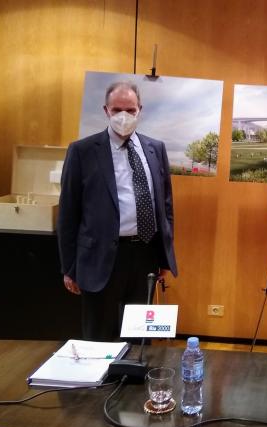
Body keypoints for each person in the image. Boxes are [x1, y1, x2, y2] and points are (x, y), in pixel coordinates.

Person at [58, 81, 178, 341]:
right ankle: (98, 382)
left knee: (138, 337)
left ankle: (133, 378)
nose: (124, 116)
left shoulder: (155, 149)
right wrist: (69, 267)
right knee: (99, 336)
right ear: (106, 110)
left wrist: (164, 255)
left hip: (144, 255)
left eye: (131, 110)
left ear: (140, 110)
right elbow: (68, 213)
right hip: (99, 256)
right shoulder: (82, 151)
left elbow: (165, 206)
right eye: (117, 110)